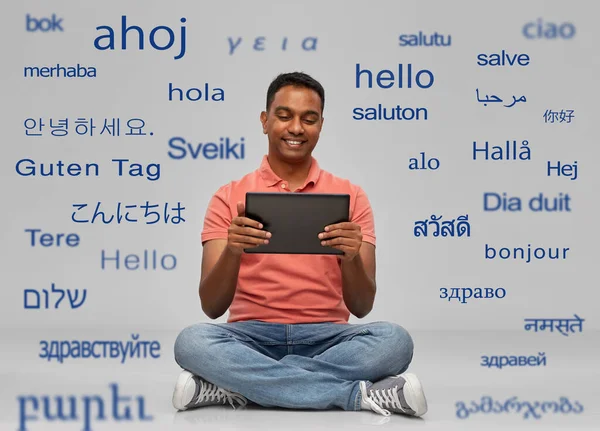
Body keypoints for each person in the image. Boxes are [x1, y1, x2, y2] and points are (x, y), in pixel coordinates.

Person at [172, 72, 428, 418]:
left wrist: (351, 257)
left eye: (309, 119)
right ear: (265, 121)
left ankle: (237, 385)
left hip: (328, 339)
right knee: (192, 342)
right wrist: (233, 250)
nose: (296, 128)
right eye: (284, 116)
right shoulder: (227, 197)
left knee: (395, 341)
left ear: (321, 125)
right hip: (250, 337)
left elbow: (363, 306)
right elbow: (212, 307)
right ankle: (356, 395)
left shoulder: (352, 197)